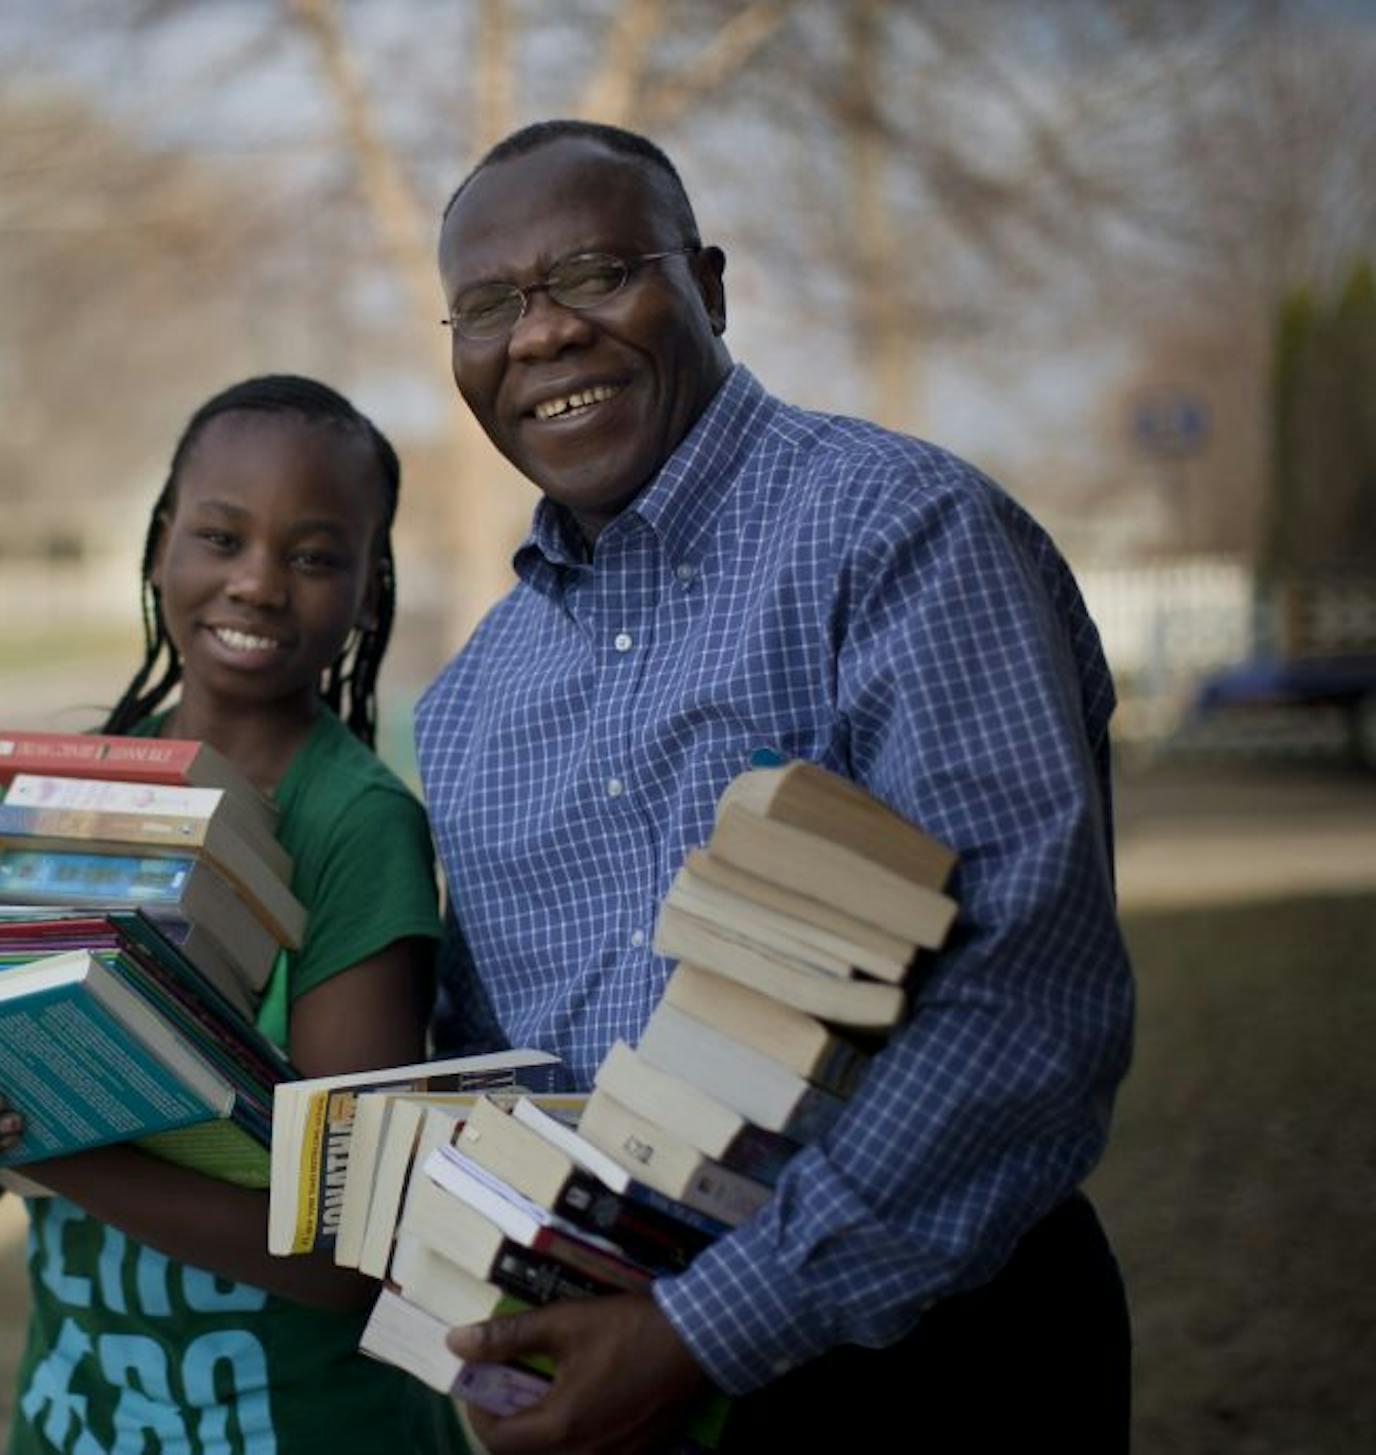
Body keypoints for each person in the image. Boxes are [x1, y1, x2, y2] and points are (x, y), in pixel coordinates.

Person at [415, 120, 1136, 1453]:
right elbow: (486, 1061)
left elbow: (1027, 1003)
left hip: (933, 1359)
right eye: (487, 304)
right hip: (603, 1388)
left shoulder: (903, 538)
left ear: (711, 284)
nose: (541, 335)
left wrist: (701, 1330)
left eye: (590, 273)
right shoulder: (465, 704)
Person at [0, 375, 470, 1454]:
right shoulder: (58, 795)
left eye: (316, 556)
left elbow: (349, 1257)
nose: (257, 583)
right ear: (159, 548)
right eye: (220, 536)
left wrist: (52, 1150)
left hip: (306, 1424)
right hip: (75, 1418)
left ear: (368, 594)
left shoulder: (355, 827)